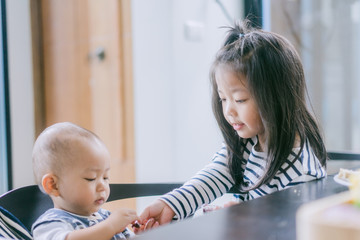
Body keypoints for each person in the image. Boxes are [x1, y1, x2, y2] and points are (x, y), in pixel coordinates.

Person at [138, 20, 327, 226]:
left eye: (240, 100)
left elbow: (289, 229)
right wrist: (170, 205)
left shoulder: (300, 172)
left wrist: (243, 217)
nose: (228, 110)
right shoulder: (248, 139)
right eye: (223, 99)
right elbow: (218, 172)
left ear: (276, 97)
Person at [31, 122, 140, 240]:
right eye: (91, 178)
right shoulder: (50, 224)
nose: (103, 186)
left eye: (105, 177)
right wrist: (111, 226)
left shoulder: (106, 218)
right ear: (53, 185)